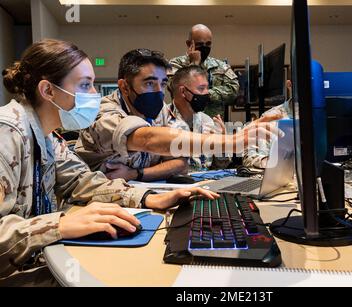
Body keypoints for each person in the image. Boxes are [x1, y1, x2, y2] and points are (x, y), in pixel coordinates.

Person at [0, 39, 221, 285]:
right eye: (85, 85)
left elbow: (81, 181)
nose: (94, 95)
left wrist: (148, 197)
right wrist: (60, 224)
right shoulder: (6, 134)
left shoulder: (45, 135)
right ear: (48, 90)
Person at [75, 49, 188, 182]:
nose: (159, 92)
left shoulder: (161, 109)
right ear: (124, 87)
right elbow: (148, 139)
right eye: (149, 83)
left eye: (162, 84)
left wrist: (135, 174)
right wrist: (213, 143)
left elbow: (180, 163)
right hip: (99, 197)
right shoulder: (102, 113)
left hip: (146, 194)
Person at [156, 65, 231, 171]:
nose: (207, 93)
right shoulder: (161, 122)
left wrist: (222, 145)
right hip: (173, 184)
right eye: (201, 88)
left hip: (204, 183)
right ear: (183, 92)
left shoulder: (207, 121)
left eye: (207, 88)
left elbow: (220, 167)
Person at [169, 24, 239, 117]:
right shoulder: (176, 64)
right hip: (183, 121)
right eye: (200, 44)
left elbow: (233, 89)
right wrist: (194, 64)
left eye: (208, 44)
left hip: (213, 123)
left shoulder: (221, 66)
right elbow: (174, 89)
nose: (205, 47)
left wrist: (206, 95)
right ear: (189, 44)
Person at [243, 81, 293, 169]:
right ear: (289, 84)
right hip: (282, 178)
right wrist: (266, 162)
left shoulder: (320, 116)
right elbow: (251, 157)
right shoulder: (271, 118)